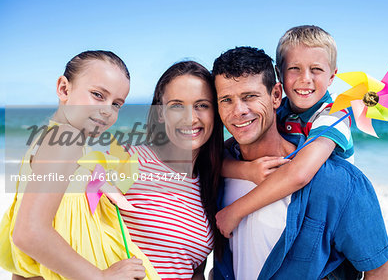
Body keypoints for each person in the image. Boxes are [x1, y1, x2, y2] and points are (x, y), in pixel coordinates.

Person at [212, 47, 388, 279]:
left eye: (250, 96)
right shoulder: (217, 172)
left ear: (276, 96)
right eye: (226, 100)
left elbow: (382, 270)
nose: (238, 111)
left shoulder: (340, 180)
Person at [0, 51, 160, 279]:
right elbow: (28, 233)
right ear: (64, 89)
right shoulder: (66, 140)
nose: (107, 110)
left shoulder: (58, 140)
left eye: (116, 104)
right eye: (97, 95)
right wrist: (101, 276)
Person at [217, 26, 354, 238]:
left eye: (316, 69)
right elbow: (220, 154)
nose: (305, 78)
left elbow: (300, 173)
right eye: (294, 69)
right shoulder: (279, 108)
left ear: (332, 76)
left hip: (333, 209)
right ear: (279, 73)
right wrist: (247, 171)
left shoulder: (335, 114)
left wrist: (236, 211)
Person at [120, 61, 223, 279]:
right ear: (160, 113)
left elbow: (193, 271)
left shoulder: (211, 185)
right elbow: (74, 225)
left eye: (202, 105)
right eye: (176, 105)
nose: (190, 118)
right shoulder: (128, 159)